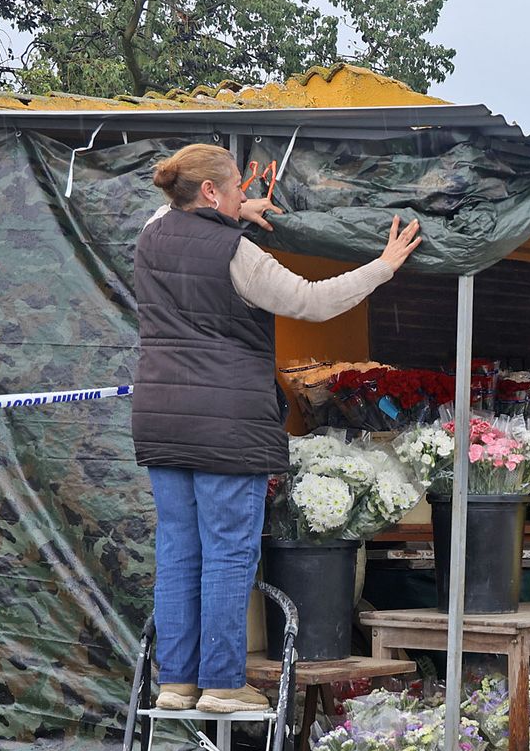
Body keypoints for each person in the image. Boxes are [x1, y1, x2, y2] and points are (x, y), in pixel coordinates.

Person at [133, 143, 422, 714]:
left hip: (161, 418)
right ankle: (222, 684)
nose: (243, 194)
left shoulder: (151, 231)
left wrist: (234, 211)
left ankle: (176, 683)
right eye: (236, 187)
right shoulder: (237, 254)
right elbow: (311, 302)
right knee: (227, 554)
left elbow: (184, 217)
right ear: (210, 191)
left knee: (178, 551)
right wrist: (383, 266)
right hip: (227, 425)